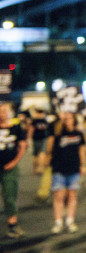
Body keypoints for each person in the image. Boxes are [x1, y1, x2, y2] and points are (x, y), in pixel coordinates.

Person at [47, 111, 86, 234]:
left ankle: (70, 220)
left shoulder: (78, 134)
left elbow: (82, 150)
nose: (67, 120)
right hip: (59, 169)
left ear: (74, 120)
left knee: (72, 195)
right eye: (65, 119)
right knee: (59, 196)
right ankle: (58, 222)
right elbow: (49, 149)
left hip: (73, 168)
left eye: (70, 118)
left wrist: (83, 165)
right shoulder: (57, 134)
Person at [0, 102, 27, 238]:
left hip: (10, 167)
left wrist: (15, 162)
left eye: (5, 111)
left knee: (10, 196)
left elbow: (22, 146)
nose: (2, 114)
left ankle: (12, 225)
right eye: (0, 111)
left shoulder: (16, 128)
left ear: (10, 113)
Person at [29, 107, 52, 174]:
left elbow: (31, 129)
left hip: (36, 138)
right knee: (41, 153)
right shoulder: (45, 121)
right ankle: (40, 168)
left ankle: (35, 168)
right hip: (42, 138)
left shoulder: (34, 121)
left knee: (36, 154)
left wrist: (29, 138)